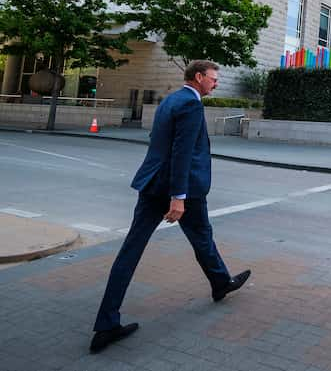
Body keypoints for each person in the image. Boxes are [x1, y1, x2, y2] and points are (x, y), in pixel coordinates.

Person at [90, 60, 251, 354]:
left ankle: (106, 323)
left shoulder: (171, 100)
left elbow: (158, 141)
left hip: (152, 184)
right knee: (201, 235)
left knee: (133, 249)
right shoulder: (191, 105)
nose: (216, 83)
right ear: (199, 77)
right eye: (214, 79)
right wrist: (178, 196)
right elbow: (182, 151)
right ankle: (220, 282)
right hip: (182, 189)